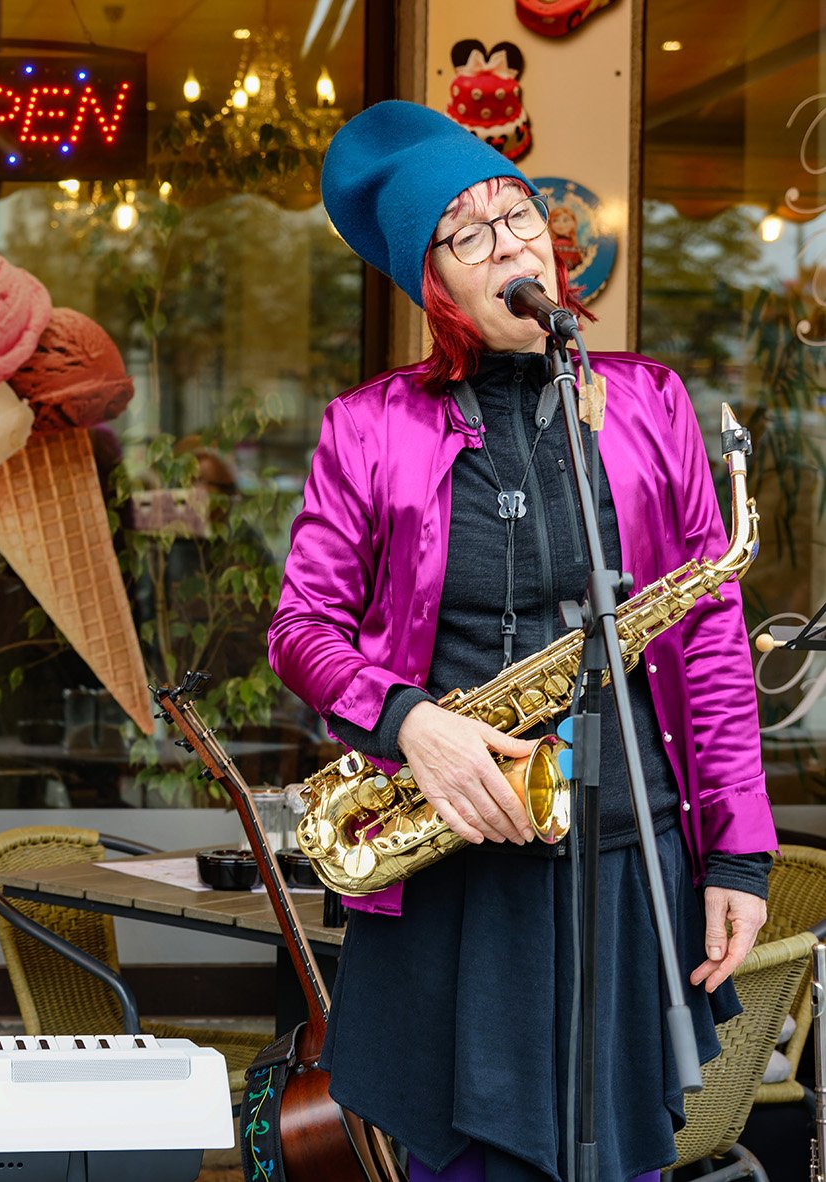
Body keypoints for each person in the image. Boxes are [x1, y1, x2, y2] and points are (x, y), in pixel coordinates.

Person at [267, 102, 776, 1182]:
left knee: (622, 1161)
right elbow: (301, 631)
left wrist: (738, 854)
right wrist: (411, 725)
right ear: (435, 286)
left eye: (519, 215)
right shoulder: (369, 426)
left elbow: (709, 643)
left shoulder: (647, 401)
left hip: (625, 857)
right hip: (457, 867)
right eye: (469, 235)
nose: (510, 246)